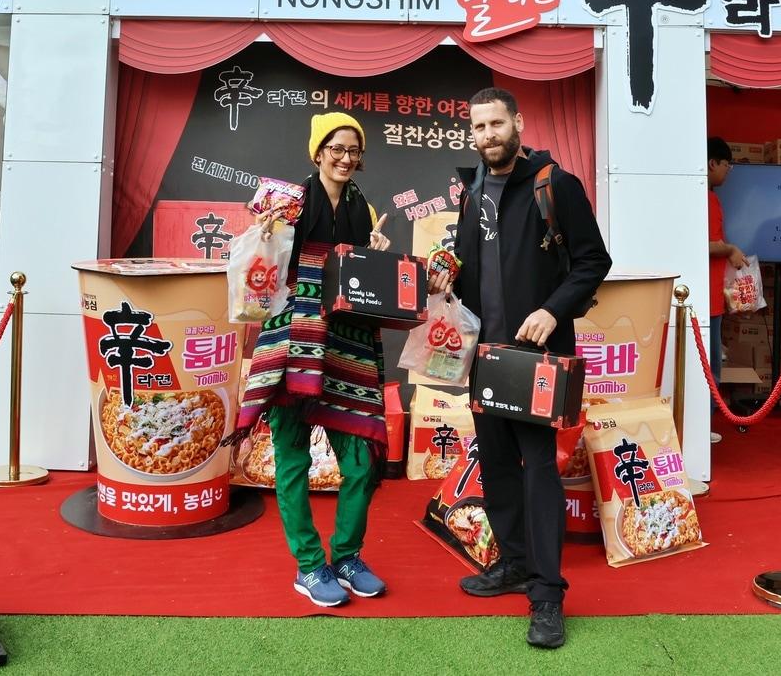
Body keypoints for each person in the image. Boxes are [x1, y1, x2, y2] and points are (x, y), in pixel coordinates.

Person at [428, 87, 610, 650]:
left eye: (497, 124)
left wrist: (552, 310)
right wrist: (447, 271)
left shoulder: (554, 184)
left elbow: (593, 261)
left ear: (518, 123)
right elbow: (471, 262)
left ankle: (548, 594)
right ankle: (513, 563)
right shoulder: (472, 190)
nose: (488, 135)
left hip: (537, 358)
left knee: (539, 468)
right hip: (484, 355)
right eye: (479, 127)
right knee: (498, 463)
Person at [232, 113, 392, 609]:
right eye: (336, 148)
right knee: (293, 460)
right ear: (318, 152)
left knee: (360, 461)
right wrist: (265, 234)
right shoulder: (290, 202)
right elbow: (264, 268)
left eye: (353, 151)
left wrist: (376, 253)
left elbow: (362, 283)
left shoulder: (366, 211)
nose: (345, 158)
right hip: (291, 341)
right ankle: (308, 565)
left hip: (347, 345)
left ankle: (347, 556)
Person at [707, 138, 748, 408]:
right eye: (727, 165)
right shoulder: (708, 199)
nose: (728, 171)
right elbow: (706, 244)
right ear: (712, 163)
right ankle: (706, 420)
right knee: (710, 368)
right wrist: (731, 249)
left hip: (711, 295)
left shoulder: (708, 197)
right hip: (709, 299)